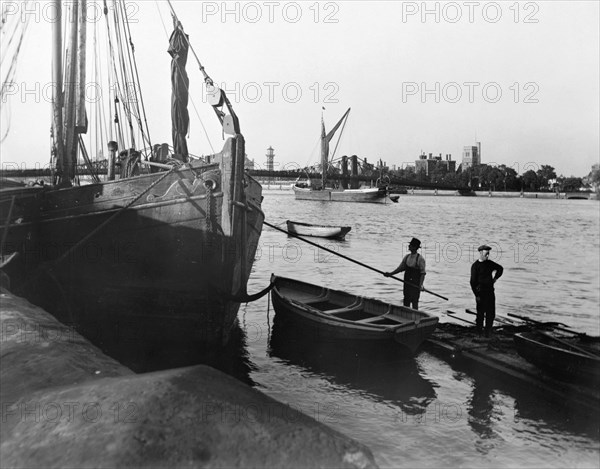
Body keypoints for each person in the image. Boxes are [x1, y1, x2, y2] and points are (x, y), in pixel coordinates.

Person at [470, 245, 503, 337]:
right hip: (481, 293)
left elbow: (500, 269)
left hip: (490, 292)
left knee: (491, 314)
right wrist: (476, 295)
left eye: (488, 254)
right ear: (480, 253)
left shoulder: (490, 263)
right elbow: (472, 282)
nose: (487, 256)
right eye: (486, 254)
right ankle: (479, 333)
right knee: (480, 314)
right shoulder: (475, 266)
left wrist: (495, 279)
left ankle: (488, 332)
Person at [384, 237, 426, 309]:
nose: (409, 246)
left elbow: (422, 273)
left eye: (411, 245)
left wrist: (421, 285)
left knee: (414, 301)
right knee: (406, 300)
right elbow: (400, 268)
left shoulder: (420, 259)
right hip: (407, 282)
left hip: (415, 284)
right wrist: (390, 274)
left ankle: (415, 316)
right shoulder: (407, 257)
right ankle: (406, 315)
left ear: (415, 247)